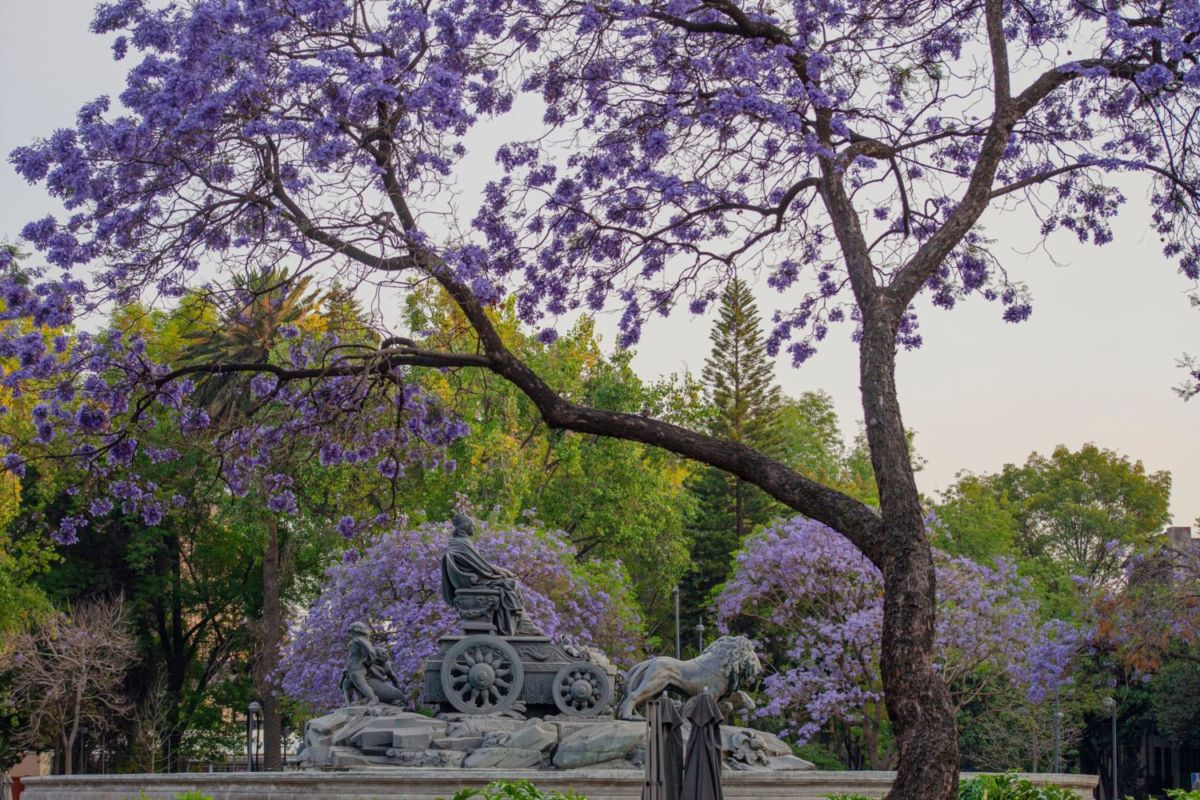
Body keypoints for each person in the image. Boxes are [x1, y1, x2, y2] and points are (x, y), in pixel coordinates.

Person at [441, 513, 534, 636]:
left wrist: (500, 571)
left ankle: (523, 624)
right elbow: (483, 568)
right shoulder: (462, 544)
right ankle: (523, 626)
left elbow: (480, 565)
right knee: (511, 584)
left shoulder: (458, 543)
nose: (473, 529)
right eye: (472, 526)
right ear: (465, 527)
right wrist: (503, 572)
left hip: (474, 581)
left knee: (509, 584)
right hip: (476, 583)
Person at [339, 621, 405, 705]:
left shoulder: (358, 641)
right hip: (351, 668)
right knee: (346, 685)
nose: (350, 635)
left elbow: (369, 652)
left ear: (355, 631)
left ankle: (373, 698)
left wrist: (367, 660)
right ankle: (349, 704)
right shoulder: (362, 641)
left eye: (350, 632)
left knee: (361, 685)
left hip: (356, 668)